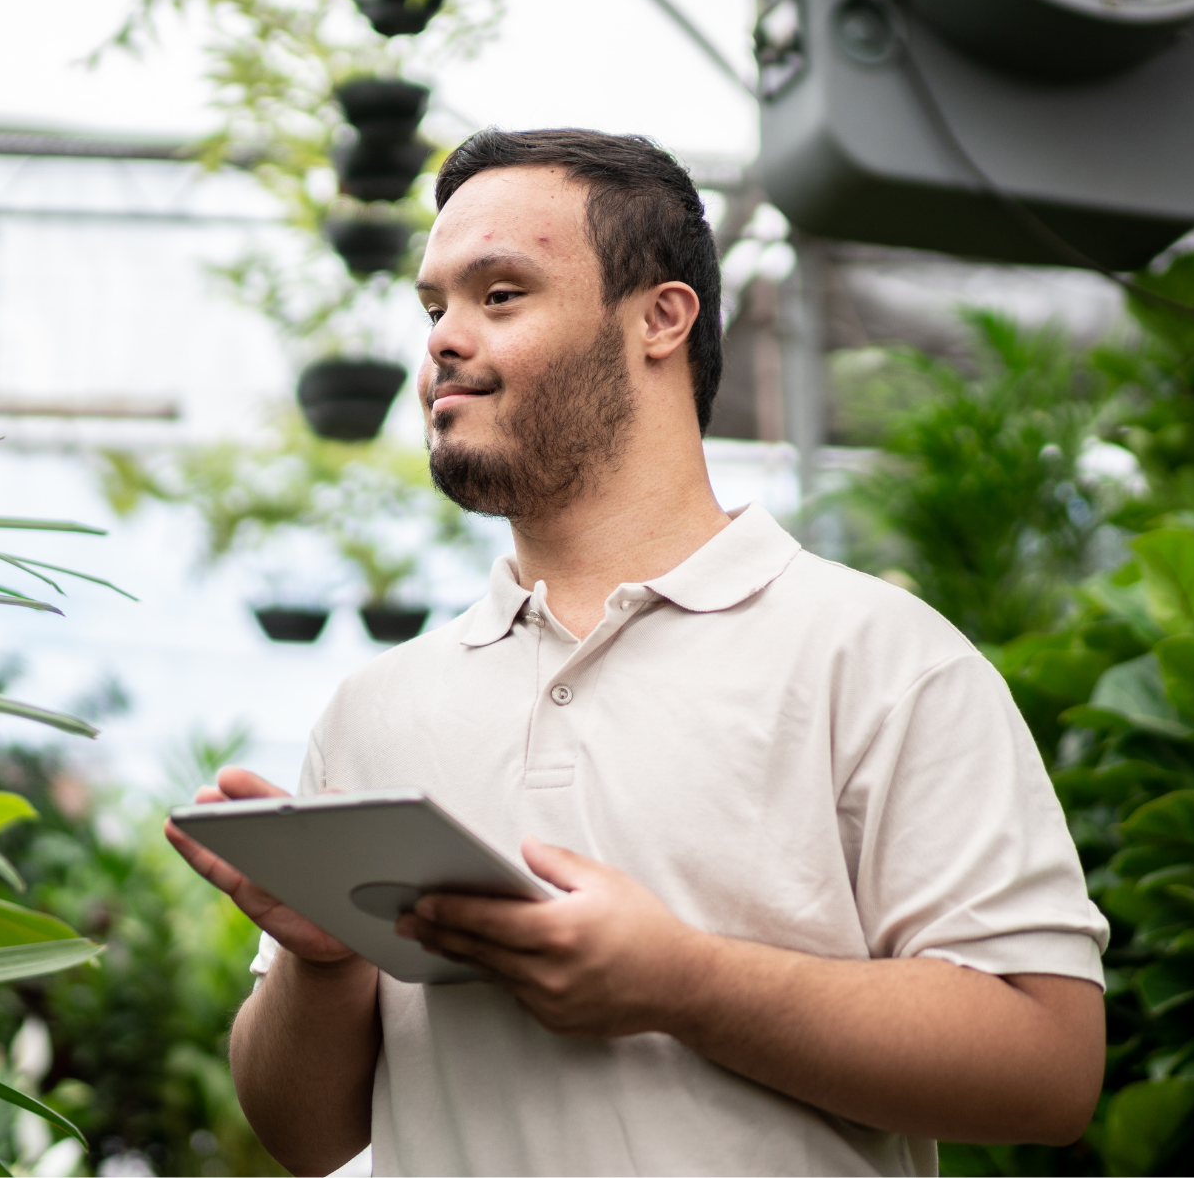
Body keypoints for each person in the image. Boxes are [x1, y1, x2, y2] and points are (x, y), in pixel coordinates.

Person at [165, 129, 1110, 1177]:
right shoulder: (375, 708)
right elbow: (307, 1137)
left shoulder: (879, 659)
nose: (442, 339)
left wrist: (683, 984)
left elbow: (1049, 1070)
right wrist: (325, 961)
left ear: (661, 317)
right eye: (434, 305)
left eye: (501, 294)